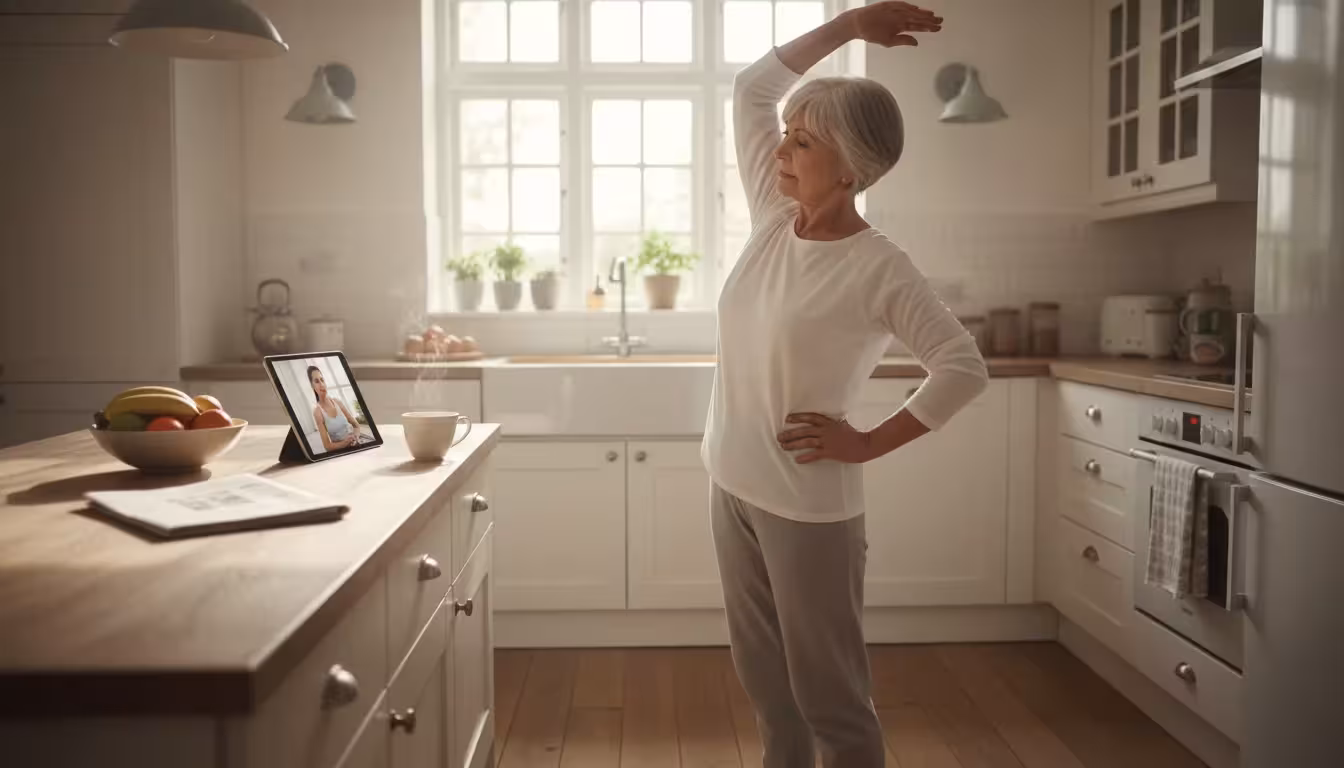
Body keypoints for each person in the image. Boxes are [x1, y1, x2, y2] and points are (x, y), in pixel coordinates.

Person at [702, 3, 989, 766]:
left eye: (803, 142)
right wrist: (851, 25)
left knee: (830, 699)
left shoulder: (878, 266)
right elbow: (752, 89)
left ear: (851, 169)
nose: (780, 151)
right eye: (787, 135)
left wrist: (865, 443)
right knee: (768, 690)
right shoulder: (775, 217)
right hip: (731, 483)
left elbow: (962, 367)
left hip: (806, 505)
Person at [307, 365, 363, 452]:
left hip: (355, 443)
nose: (321, 384)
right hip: (341, 451)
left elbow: (356, 425)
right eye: (317, 381)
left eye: (322, 380)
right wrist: (346, 442)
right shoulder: (318, 412)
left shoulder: (337, 402)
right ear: (312, 386)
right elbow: (327, 446)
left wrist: (355, 437)